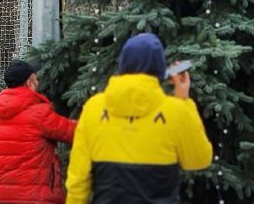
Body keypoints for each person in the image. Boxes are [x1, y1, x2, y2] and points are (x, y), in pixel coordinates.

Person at [65, 33, 213, 204]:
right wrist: (184, 100)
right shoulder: (175, 111)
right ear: (159, 68)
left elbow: (78, 178)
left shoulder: (94, 108)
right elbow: (198, 160)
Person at [0, 58, 78, 204]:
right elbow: (72, 131)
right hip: (34, 197)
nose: (38, 83)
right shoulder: (38, 113)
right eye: (36, 80)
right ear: (29, 83)